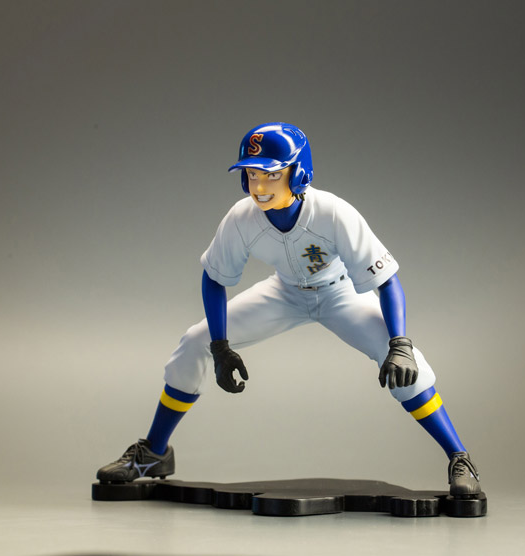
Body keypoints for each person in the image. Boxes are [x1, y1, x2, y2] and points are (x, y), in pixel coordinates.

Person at [97, 122, 481, 497]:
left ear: (298, 174)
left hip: (340, 293)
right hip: (284, 293)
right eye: (252, 175)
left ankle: (459, 458)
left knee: (408, 365)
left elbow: (387, 280)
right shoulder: (242, 218)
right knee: (195, 341)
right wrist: (219, 345)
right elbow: (213, 278)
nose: (259, 186)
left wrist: (399, 342)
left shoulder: (333, 213)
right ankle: (154, 453)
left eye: (271, 175)